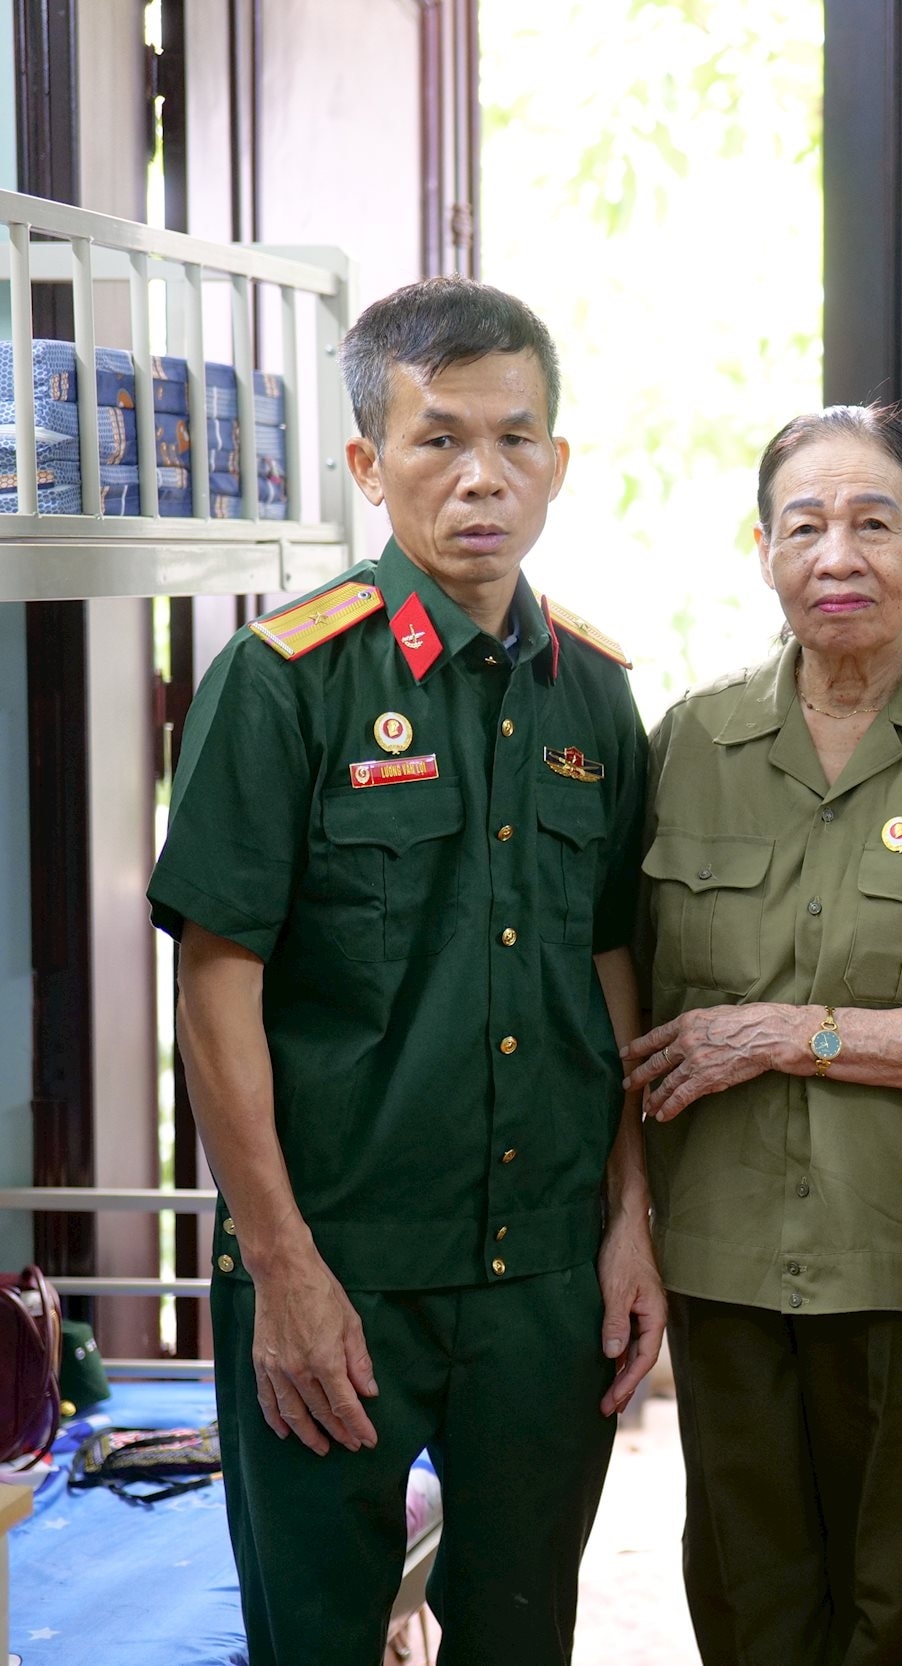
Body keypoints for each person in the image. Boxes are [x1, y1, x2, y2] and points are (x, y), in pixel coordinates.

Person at [149, 277, 661, 1662]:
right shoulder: (283, 680)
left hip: (542, 1275)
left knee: (521, 1636)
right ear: (369, 464)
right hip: (339, 1263)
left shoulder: (596, 691)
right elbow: (216, 986)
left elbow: (615, 966)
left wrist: (633, 1217)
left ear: (558, 460)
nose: (482, 474)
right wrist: (282, 1267)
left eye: (514, 437)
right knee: (316, 1639)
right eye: (438, 438)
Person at [622, 404, 902, 1663]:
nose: (838, 555)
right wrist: (627, 1225)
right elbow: (624, 997)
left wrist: (790, 1033)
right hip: (722, 1256)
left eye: (874, 523)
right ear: (763, 550)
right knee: (746, 1594)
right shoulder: (687, 746)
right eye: (805, 525)